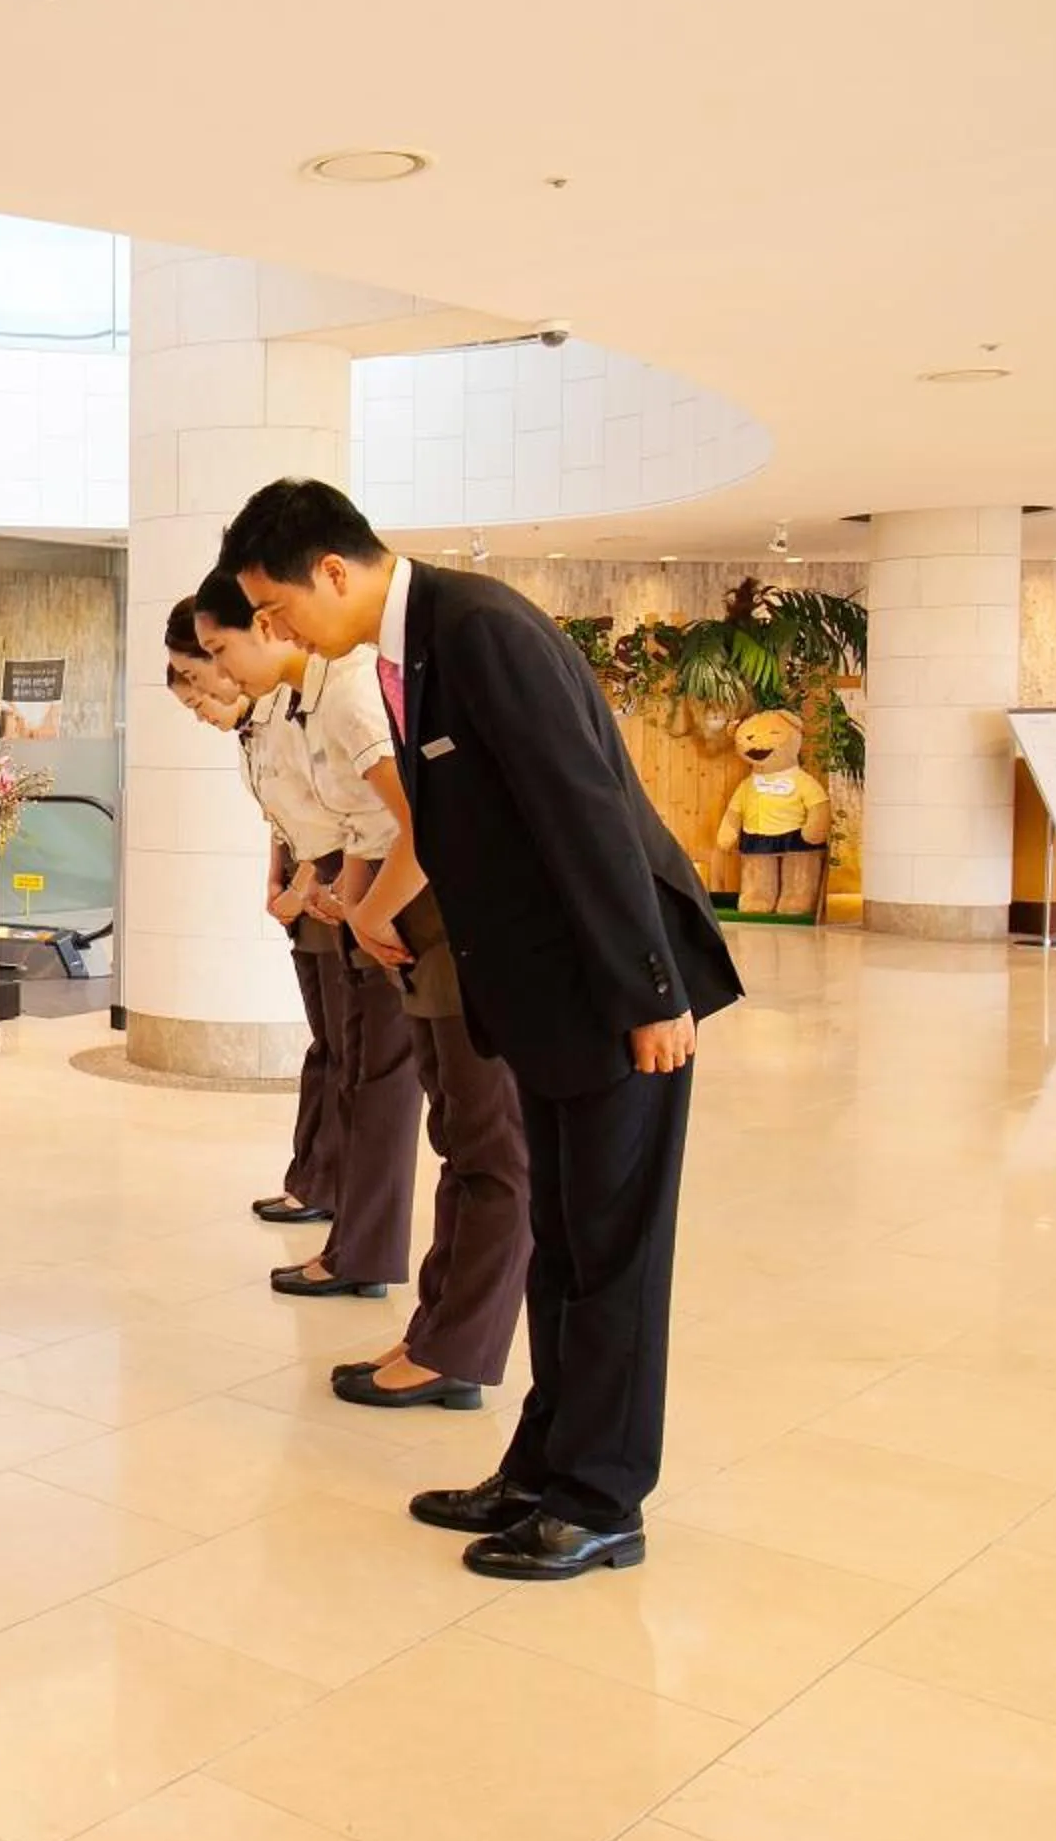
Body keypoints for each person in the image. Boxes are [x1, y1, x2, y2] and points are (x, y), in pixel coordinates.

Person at [221, 480, 740, 1579]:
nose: (275, 634)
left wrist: (653, 995)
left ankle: (603, 1499)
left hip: (616, 997)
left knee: (615, 1259)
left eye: (274, 610)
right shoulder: (418, 648)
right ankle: (543, 1466)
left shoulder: (483, 629)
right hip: (551, 1001)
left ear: (332, 571)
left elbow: (587, 812)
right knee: (564, 1249)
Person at [198, 576, 531, 1411]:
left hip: (447, 915)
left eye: (217, 653)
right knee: (457, 1132)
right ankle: (439, 1333)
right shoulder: (327, 695)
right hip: (405, 913)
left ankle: (455, 1342)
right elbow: (355, 825)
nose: (218, 679)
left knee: (483, 1145)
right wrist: (352, 901)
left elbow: (418, 821)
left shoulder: (364, 684)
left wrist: (363, 909)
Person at [168, 594, 352, 1239]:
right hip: (307, 889)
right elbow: (283, 817)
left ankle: (334, 1196)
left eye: (200, 681)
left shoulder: (302, 708)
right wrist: (276, 879)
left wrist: (301, 888)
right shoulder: (254, 729)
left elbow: (334, 814)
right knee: (328, 1049)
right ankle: (311, 1181)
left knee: (348, 1056)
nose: (201, 704)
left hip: (337, 885)